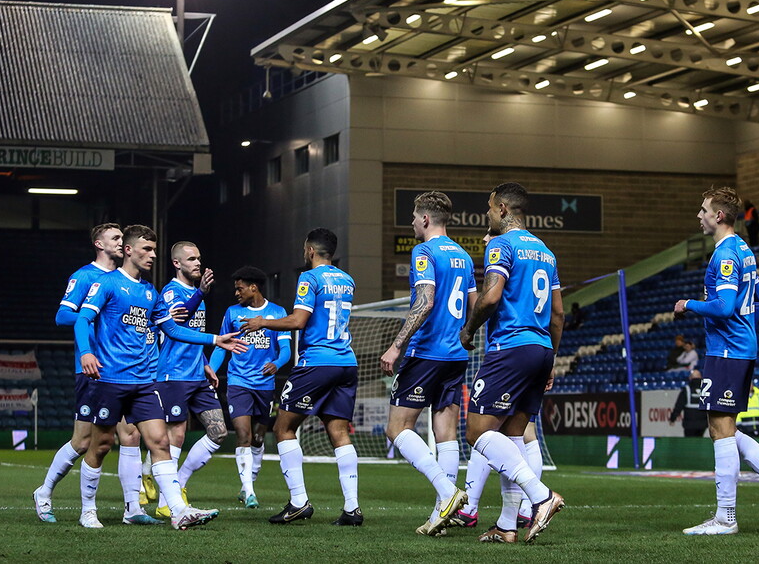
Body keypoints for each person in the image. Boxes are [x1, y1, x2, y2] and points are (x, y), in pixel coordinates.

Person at [75, 224, 247, 530]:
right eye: (146, 249)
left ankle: (178, 510)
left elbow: (172, 329)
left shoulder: (149, 292)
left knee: (159, 443)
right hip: (111, 379)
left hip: (143, 383)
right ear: (128, 250)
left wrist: (213, 340)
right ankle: (88, 509)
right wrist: (87, 352)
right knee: (100, 446)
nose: (153, 255)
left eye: (154, 250)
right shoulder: (108, 284)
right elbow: (82, 319)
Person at [674, 186, 759, 535]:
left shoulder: (726, 255)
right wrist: (742, 333)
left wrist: (689, 304)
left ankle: (726, 518)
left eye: (703, 210)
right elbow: (757, 303)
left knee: (719, 429)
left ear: (719, 216)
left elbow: (725, 306)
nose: (699, 216)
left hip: (727, 351)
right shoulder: (745, 250)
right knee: (723, 428)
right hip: (738, 347)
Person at [458, 182, 565, 544]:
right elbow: (559, 315)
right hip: (540, 349)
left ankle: (541, 496)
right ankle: (506, 526)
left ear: (503, 209)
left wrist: (470, 329)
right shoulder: (546, 252)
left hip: (511, 349)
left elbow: (490, 297)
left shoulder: (502, 245)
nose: (487, 214)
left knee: (476, 431)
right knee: (511, 435)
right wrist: (550, 360)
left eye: (489, 208)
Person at [33, 223, 154, 525]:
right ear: (99, 244)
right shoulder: (85, 276)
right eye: (114, 238)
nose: (119, 242)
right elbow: (63, 315)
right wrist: (101, 314)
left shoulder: (129, 281)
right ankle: (44, 491)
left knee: (131, 434)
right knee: (83, 441)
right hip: (93, 369)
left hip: (123, 371)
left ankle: (133, 509)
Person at [241, 228, 363, 526]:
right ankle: (352, 508)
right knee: (339, 432)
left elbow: (298, 320)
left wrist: (262, 322)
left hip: (317, 362)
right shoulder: (347, 280)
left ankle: (298, 502)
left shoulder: (309, 278)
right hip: (345, 361)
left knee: (283, 428)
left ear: (310, 251)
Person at [378, 191, 475, 537]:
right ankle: (440, 516)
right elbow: (475, 303)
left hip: (427, 353)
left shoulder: (424, 251)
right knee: (446, 433)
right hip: (456, 355)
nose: (412, 223)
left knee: (397, 428)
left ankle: (447, 494)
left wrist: (396, 345)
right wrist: (466, 335)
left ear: (424, 220)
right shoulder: (463, 255)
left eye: (414, 217)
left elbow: (425, 301)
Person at [151, 241, 228, 520]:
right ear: (177, 263)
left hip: (197, 374)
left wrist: (207, 363)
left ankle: (178, 483)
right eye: (191, 259)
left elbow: (193, 335)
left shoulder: (199, 295)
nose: (197, 263)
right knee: (176, 436)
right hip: (173, 375)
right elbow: (176, 327)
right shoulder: (170, 292)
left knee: (218, 431)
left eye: (199, 258)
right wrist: (200, 294)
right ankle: (165, 501)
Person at [208, 265, 292, 508]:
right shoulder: (232, 313)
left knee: (257, 437)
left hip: (264, 385)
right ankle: (249, 490)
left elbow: (285, 349)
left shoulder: (276, 313)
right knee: (243, 435)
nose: (236, 293)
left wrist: (277, 363)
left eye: (240, 288)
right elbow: (221, 346)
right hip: (238, 382)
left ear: (253, 288)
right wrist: (212, 369)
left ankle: (249, 484)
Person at [669, 370, 707, 437]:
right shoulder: (706, 390)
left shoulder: (686, 389)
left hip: (689, 423)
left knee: (689, 443)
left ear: (690, 378)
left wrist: (673, 418)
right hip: (703, 424)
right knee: (700, 442)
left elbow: (678, 406)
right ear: (701, 377)